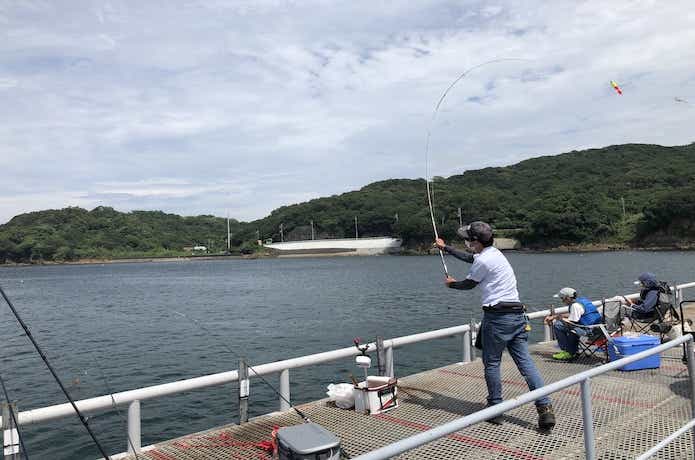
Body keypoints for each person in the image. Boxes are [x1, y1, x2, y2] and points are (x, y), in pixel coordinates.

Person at [435, 221, 555, 431]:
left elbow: (469, 284)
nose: (466, 241)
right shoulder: (495, 254)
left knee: (491, 363)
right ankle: (544, 408)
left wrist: (451, 284)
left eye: (468, 238)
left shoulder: (483, 261)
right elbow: (471, 258)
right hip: (517, 315)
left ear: (474, 241)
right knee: (525, 362)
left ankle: (495, 409)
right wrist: (446, 248)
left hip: (497, 318)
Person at [544, 287, 602, 361]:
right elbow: (575, 315)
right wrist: (556, 316)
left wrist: (558, 319)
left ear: (567, 298)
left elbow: (572, 323)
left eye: (562, 298)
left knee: (558, 325)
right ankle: (573, 350)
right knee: (568, 327)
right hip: (597, 327)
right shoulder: (582, 301)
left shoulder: (575, 306)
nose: (562, 301)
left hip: (589, 330)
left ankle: (567, 352)